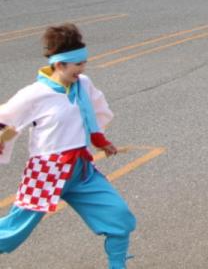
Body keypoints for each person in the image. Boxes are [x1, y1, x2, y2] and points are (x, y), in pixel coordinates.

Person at [0, 24, 136, 269]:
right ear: (60, 64)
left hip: (81, 172)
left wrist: (102, 142)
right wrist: (4, 136)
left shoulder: (83, 84)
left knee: (119, 219)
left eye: (84, 63)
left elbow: (94, 112)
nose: (83, 69)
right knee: (11, 233)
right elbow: (5, 120)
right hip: (47, 172)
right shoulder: (34, 94)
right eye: (78, 64)